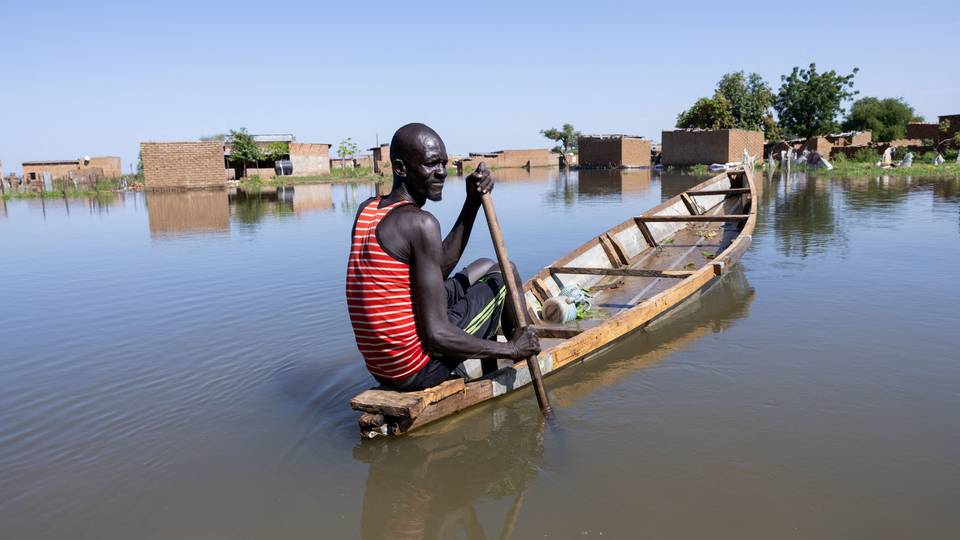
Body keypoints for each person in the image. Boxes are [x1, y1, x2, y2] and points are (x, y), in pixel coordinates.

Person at [346, 123, 540, 391]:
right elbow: (437, 336)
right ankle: (524, 352)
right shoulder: (421, 224)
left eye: (443, 164)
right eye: (430, 164)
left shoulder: (367, 210)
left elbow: (436, 272)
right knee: (506, 276)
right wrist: (512, 349)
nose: (441, 173)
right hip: (416, 369)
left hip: (383, 369)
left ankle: (511, 348)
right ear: (401, 168)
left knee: (486, 266)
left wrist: (471, 202)